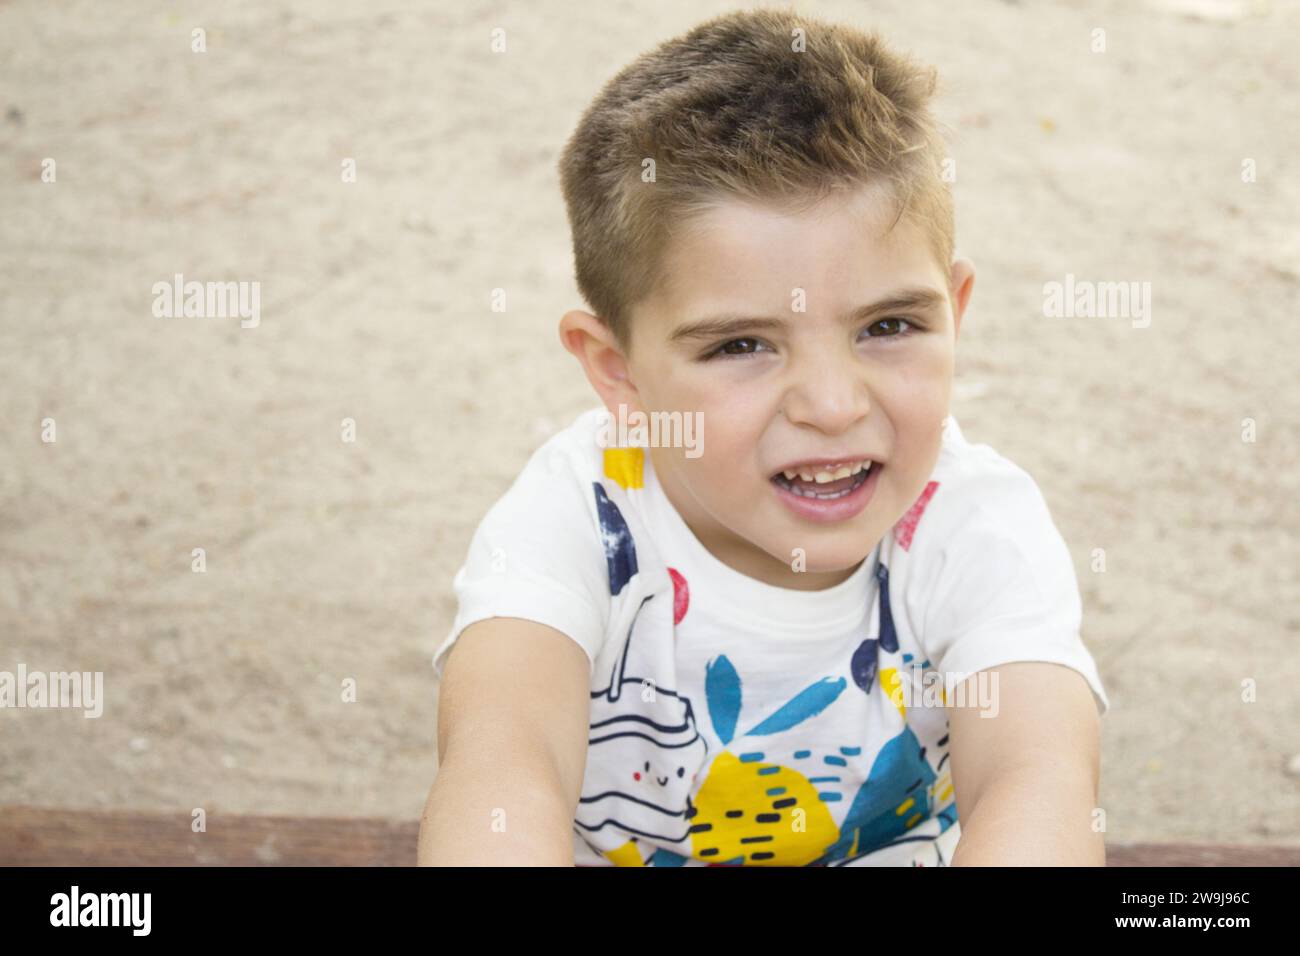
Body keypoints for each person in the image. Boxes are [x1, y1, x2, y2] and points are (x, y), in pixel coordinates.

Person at [419, 8, 1108, 867]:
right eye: (740, 345)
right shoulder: (578, 522)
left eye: (889, 325)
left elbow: (1035, 786)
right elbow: (502, 768)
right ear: (619, 373)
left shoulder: (973, 527)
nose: (829, 404)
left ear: (955, 313)